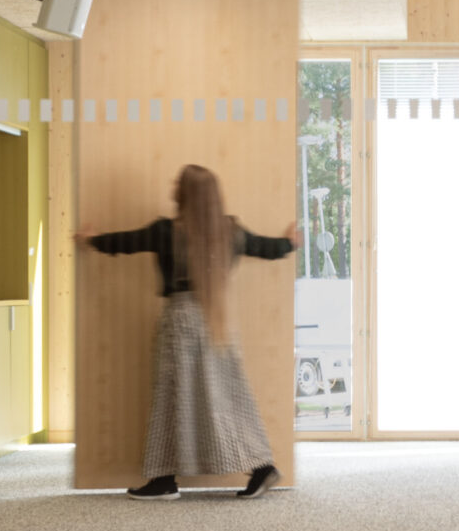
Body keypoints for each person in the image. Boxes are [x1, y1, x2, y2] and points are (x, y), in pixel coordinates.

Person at [84, 164, 299, 499]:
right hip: (218, 320)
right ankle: (261, 467)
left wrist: (92, 240)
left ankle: (164, 480)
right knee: (228, 396)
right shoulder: (231, 231)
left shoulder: (166, 231)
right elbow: (265, 248)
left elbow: (125, 242)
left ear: (184, 194)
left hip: (180, 321)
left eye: (177, 183)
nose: (172, 186)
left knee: (172, 397)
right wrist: (289, 243)